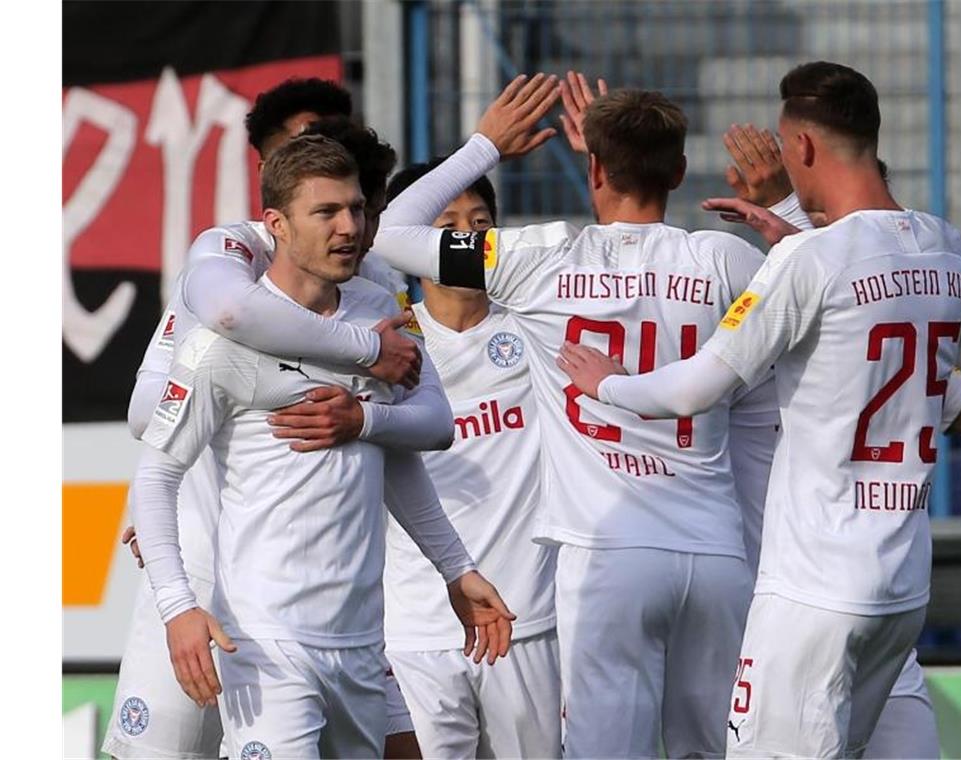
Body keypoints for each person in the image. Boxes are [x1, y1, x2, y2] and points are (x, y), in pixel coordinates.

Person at [556, 61, 961, 757]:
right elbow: (885, 334)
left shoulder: (805, 263)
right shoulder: (949, 250)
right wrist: (789, 240)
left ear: (805, 149)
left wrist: (608, 384)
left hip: (810, 590)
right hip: (902, 587)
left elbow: (696, 388)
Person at [376, 71, 768, 758]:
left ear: (592, 165)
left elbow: (389, 234)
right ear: (679, 170)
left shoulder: (538, 260)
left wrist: (484, 147)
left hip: (608, 555)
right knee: (713, 748)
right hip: (713, 552)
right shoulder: (728, 259)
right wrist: (783, 214)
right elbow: (819, 275)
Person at [130, 135, 515, 759]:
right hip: (265, 642)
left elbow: (412, 444)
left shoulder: (378, 309)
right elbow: (155, 478)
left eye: (358, 209)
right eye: (326, 212)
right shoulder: (221, 338)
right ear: (276, 225)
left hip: (362, 642)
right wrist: (178, 608)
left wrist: (456, 567)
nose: (350, 227)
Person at [105, 80, 432, 760]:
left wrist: (362, 420)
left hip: (347, 615)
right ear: (271, 184)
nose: (346, 218)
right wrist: (363, 353)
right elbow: (152, 412)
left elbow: (426, 428)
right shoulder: (224, 265)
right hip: (210, 569)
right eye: (303, 149)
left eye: (354, 200)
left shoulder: (373, 290)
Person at [718, 123, 961, 759]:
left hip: (806, 606)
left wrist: (611, 388)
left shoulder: (792, 314)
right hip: (890, 609)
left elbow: (693, 384)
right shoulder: (880, 347)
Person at [381, 161, 562, 758]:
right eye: (447, 225)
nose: (467, 239)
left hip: (525, 620)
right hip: (417, 625)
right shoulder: (384, 343)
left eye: (480, 223)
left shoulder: (538, 329)